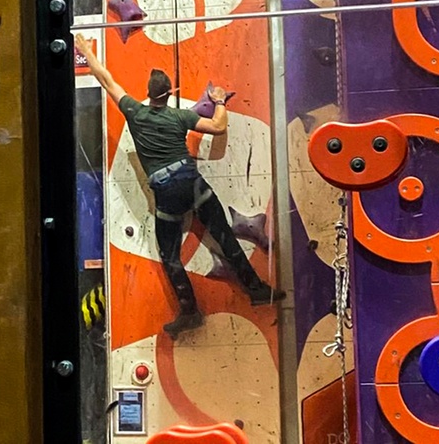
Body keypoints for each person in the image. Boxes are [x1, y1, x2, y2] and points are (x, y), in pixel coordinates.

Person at [75, 34, 285, 338]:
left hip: (167, 193)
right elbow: (218, 127)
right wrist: (220, 101)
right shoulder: (179, 116)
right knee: (224, 237)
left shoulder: (135, 112)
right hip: (192, 182)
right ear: (170, 92)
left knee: (171, 254)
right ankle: (257, 290)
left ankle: (190, 311)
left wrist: (86, 51)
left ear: (148, 94)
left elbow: (106, 80)